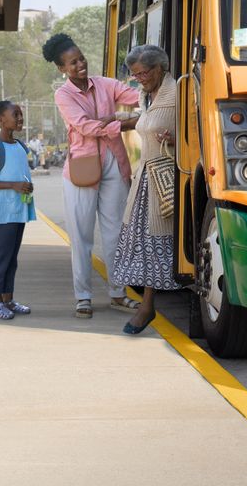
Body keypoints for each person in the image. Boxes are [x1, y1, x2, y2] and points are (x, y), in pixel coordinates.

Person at [46, 32, 143, 319]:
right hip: (82, 168)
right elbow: (85, 126)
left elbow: (136, 96)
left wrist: (152, 92)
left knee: (116, 233)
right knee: (81, 235)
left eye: (82, 59)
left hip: (114, 162)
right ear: (62, 69)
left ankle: (117, 293)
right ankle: (83, 296)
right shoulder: (63, 94)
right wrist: (120, 122)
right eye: (73, 63)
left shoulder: (104, 84)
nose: (80, 65)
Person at [112, 45, 179, 335]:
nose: (139, 78)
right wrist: (114, 120)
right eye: (135, 74)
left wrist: (175, 138)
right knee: (143, 244)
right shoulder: (146, 96)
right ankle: (146, 305)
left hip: (167, 179)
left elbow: (196, 130)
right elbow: (144, 121)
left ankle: (147, 307)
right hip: (146, 179)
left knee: (157, 244)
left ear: (159, 68)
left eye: (143, 73)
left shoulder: (178, 93)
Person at [0, 99, 36, 320]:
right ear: (1, 120)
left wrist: (26, 186)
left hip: (19, 210)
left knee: (12, 258)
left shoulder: (20, 146)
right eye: (16, 115)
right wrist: (13, 185)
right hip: (3, 213)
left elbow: (20, 174)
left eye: (21, 114)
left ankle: (9, 300)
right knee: (0, 258)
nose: (20, 118)